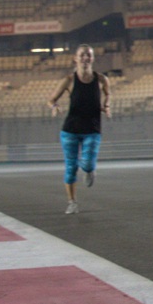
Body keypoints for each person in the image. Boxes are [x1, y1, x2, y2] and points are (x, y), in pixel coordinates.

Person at [46, 45, 110, 213]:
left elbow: (108, 94)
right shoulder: (69, 80)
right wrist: (54, 106)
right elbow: (52, 99)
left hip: (92, 129)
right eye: (82, 55)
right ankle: (72, 202)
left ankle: (89, 170)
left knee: (88, 164)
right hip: (70, 130)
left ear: (93, 58)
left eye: (88, 55)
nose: (85, 58)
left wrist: (107, 105)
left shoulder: (101, 79)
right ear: (75, 58)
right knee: (71, 167)